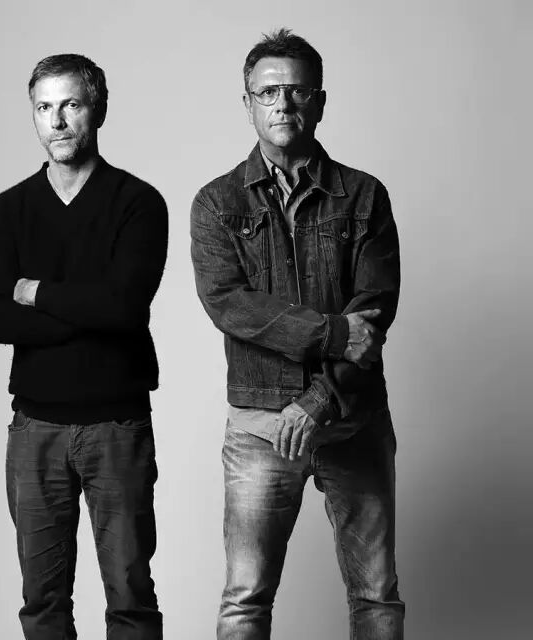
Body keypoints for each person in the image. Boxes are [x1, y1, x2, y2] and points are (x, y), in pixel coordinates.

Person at [190, 29, 404, 639]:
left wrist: (317, 401)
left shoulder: (364, 195)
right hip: (260, 427)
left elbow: (374, 310)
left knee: (376, 596)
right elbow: (229, 304)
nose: (282, 103)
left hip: (353, 422)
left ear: (320, 101)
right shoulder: (216, 203)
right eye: (267, 92)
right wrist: (333, 334)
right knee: (245, 601)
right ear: (248, 104)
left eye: (297, 91)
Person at [0, 54, 167, 640]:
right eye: (44, 108)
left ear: (98, 110)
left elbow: (125, 309)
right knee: (42, 602)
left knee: (131, 598)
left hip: (117, 427)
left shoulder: (138, 203)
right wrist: (90, 310)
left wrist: (34, 292)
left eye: (71, 105)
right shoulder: (8, 210)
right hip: (35, 429)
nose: (56, 121)